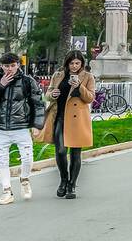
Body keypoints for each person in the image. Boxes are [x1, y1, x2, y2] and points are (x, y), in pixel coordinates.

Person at [0, 52, 43, 206]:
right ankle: (7, 191)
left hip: (21, 126)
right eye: (6, 66)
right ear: (1, 66)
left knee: (28, 157)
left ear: (18, 65)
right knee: (2, 159)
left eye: (12, 65)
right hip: (0, 126)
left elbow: (38, 103)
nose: (9, 69)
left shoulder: (27, 81)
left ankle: (24, 179)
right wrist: (0, 85)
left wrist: (37, 125)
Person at [38, 50, 95, 199]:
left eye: (77, 63)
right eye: (72, 63)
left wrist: (79, 87)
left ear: (82, 63)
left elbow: (90, 98)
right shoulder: (58, 75)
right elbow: (48, 94)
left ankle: (72, 185)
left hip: (77, 120)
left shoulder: (88, 77)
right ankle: (63, 180)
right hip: (60, 117)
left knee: (75, 153)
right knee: (61, 151)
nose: (74, 66)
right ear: (67, 63)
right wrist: (52, 94)